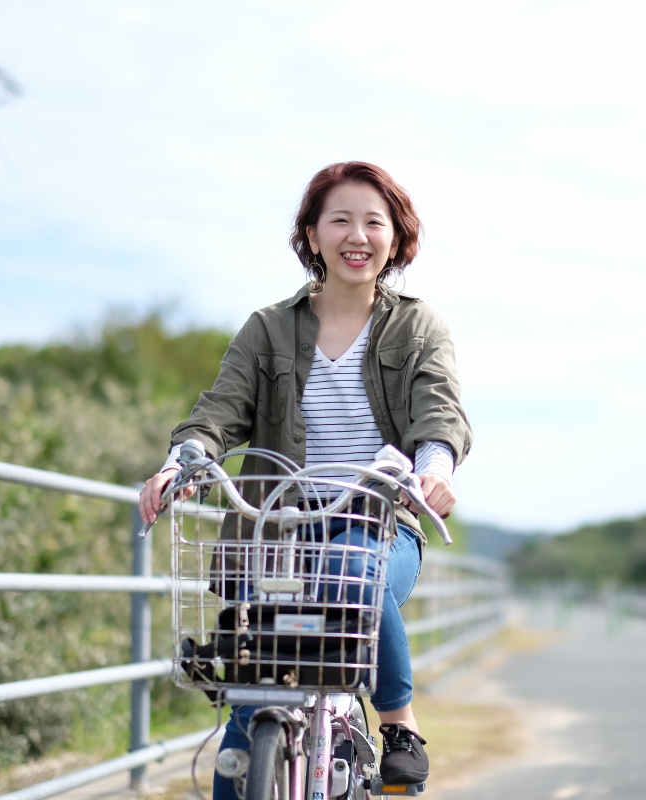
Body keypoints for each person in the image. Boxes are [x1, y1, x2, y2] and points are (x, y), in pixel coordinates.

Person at [139, 161, 472, 798]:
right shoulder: (268, 327)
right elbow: (217, 412)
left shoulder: (417, 325)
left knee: (351, 573)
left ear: (395, 237)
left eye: (374, 221)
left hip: (376, 523)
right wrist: (180, 464)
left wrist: (433, 471)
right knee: (246, 720)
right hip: (277, 531)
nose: (358, 234)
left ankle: (398, 725)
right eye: (339, 219)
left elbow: (439, 413)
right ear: (313, 235)